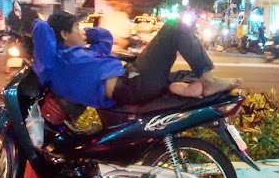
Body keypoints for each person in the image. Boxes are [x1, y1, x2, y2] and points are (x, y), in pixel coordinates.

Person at [33, 11, 242, 109]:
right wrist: (35, 17)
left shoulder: (83, 53)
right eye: (76, 28)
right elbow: (41, 29)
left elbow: (105, 40)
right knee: (174, 27)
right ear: (64, 34)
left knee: (183, 74)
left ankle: (181, 85)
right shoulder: (58, 62)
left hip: (132, 77)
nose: (81, 31)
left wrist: (90, 33)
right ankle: (206, 80)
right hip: (130, 86)